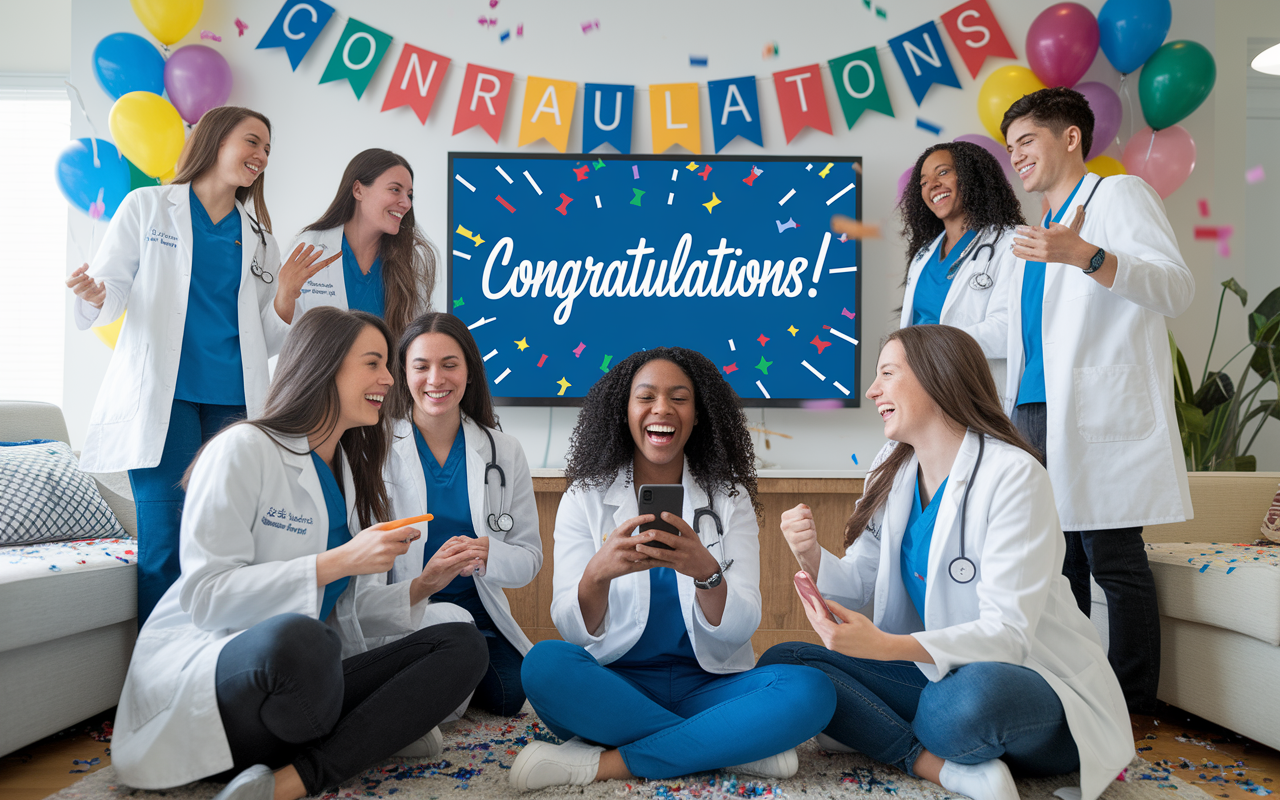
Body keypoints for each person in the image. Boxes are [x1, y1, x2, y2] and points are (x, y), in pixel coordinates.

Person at [109, 307, 488, 800]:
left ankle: (292, 780)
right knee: (300, 641)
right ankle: (371, 734)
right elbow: (205, 597)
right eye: (373, 364)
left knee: (460, 641)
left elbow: (348, 611)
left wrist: (422, 586)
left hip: (308, 687)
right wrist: (340, 561)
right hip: (235, 674)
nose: (390, 379)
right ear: (324, 365)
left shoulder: (351, 473)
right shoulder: (244, 449)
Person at [760, 326, 1133, 800]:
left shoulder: (1014, 476)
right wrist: (811, 556)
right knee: (785, 663)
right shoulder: (891, 467)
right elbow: (860, 581)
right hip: (938, 676)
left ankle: (865, 723)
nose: (872, 390)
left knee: (964, 706)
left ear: (937, 379)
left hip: (1028, 690)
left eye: (887, 375)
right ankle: (940, 765)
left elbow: (1009, 635)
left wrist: (885, 647)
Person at [511, 348, 835, 792]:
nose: (662, 409)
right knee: (543, 665)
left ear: (698, 415)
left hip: (710, 687)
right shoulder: (584, 496)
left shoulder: (729, 497)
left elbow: (742, 626)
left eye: (679, 398)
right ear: (623, 411)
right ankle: (732, 746)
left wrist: (707, 571)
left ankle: (607, 763)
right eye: (646, 397)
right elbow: (572, 631)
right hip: (617, 684)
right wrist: (597, 575)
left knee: (811, 690)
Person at [65, 106, 339, 623]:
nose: (260, 156)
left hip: (234, 407)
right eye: (252, 142)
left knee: (227, 543)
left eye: (267, 150)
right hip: (162, 406)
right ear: (214, 140)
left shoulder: (260, 237)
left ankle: (213, 669)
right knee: (165, 545)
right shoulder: (148, 208)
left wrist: (286, 293)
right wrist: (96, 293)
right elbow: (113, 290)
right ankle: (156, 682)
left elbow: (270, 335)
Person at [1000, 86, 1195, 715]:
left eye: (1027, 140)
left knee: (1110, 555)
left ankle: (1132, 704)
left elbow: (1176, 288)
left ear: (1071, 138)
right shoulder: (1031, 237)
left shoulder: (1118, 196)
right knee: (1054, 566)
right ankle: (1074, 697)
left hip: (1092, 410)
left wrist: (1087, 255)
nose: (1016, 156)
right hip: (1031, 409)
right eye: (1010, 148)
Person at [379, 312, 542, 718]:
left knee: (510, 696)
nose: (436, 379)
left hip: (479, 615)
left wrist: (490, 552)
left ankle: (435, 688)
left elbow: (529, 560)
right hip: (405, 609)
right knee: (450, 679)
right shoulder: (376, 448)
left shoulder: (504, 451)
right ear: (403, 374)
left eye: (450, 365)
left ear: (469, 372)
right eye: (422, 366)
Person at [898, 141, 1024, 397]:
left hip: (974, 390)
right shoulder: (923, 255)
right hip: (923, 388)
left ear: (970, 177)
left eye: (943, 172)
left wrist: (934, 345)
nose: (931, 185)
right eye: (923, 182)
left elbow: (1008, 330)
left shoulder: (1010, 244)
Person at [286, 149, 437, 336]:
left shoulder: (410, 260)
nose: (406, 203)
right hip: (321, 365)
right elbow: (283, 330)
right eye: (395, 190)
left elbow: (417, 338)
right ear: (358, 190)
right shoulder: (311, 246)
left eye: (409, 195)